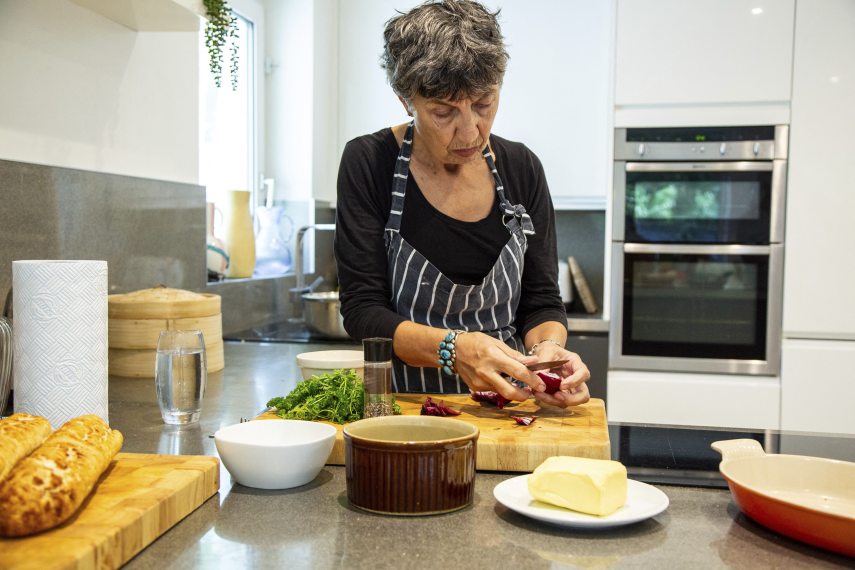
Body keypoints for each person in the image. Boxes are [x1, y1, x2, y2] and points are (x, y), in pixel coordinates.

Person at [334, 0, 590, 408]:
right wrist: (456, 350)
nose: (471, 130)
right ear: (407, 101)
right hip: (406, 405)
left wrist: (548, 352)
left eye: (484, 104)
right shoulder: (370, 162)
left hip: (510, 404)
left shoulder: (521, 167)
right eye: (443, 112)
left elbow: (540, 299)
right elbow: (363, 312)